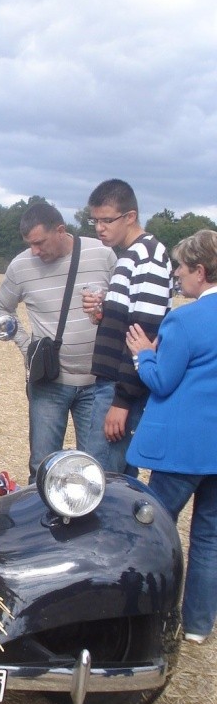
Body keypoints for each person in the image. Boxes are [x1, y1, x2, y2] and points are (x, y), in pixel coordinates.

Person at [125, 230, 217, 644]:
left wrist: (143, 352)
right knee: (210, 537)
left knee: (155, 529)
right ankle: (198, 625)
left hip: (183, 450)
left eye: (181, 267)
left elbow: (161, 381)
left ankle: (149, 613)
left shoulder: (184, 318)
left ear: (200, 270)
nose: (176, 274)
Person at [0, 201, 115, 482]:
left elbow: (121, 304)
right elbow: (2, 310)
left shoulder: (103, 255)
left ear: (60, 230)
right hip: (49, 382)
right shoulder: (21, 266)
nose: (35, 251)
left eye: (40, 243)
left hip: (97, 385)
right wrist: (26, 346)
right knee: (42, 466)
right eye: (30, 245)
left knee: (95, 470)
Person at [82, 179, 172, 475]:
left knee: (101, 479)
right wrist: (103, 313)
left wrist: (121, 401)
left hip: (119, 389)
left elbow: (144, 333)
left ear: (130, 217)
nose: (99, 228)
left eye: (107, 220)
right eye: (95, 220)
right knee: (113, 476)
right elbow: (129, 320)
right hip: (112, 384)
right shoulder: (130, 256)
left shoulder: (148, 257)